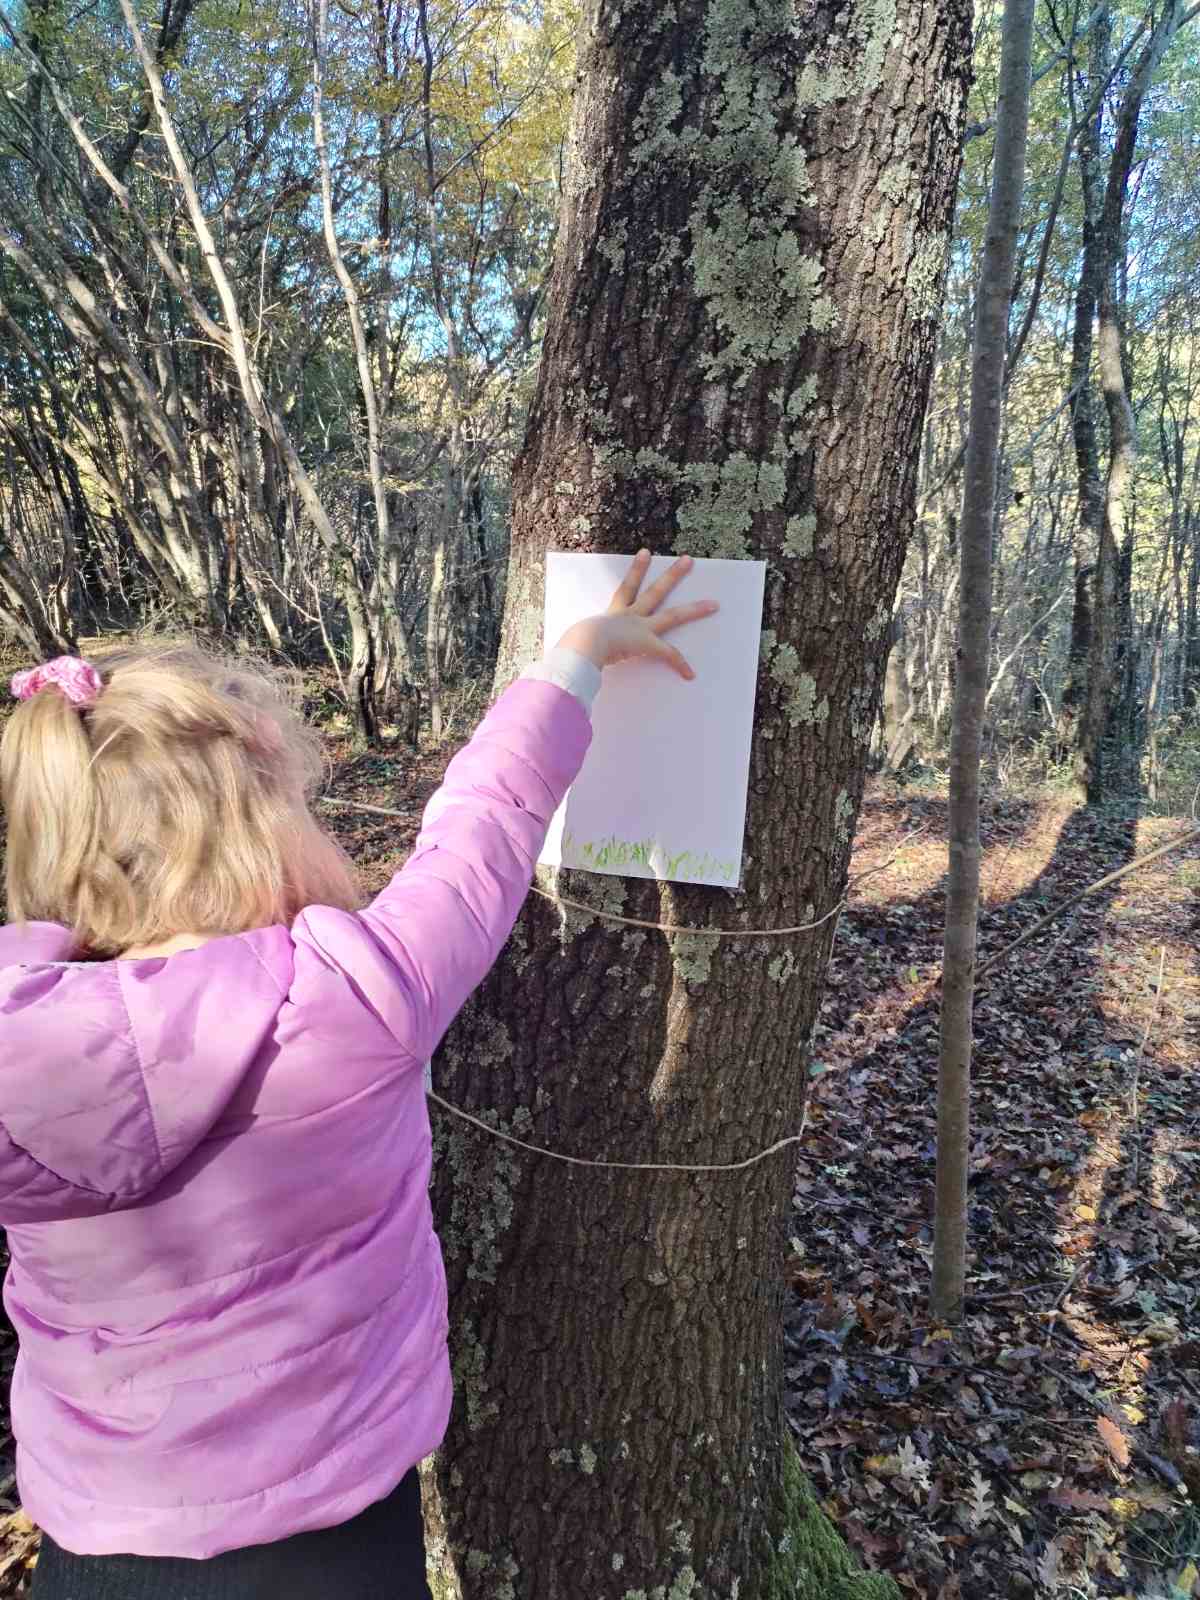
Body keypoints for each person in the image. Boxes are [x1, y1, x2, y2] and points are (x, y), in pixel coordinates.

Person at [0, 552, 716, 1600]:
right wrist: (576, 660)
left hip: (97, 1548)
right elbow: (479, 836)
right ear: (255, 827)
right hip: (331, 1539)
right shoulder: (354, 993)